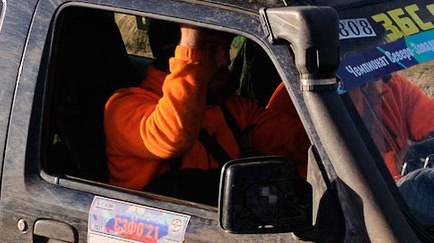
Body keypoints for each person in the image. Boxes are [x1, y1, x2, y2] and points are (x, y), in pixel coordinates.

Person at [105, 20, 309, 199]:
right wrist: (191, 36)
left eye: (227, 47)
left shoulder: (231, 107)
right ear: (172, 54)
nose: (225, 60)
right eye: (211, 49)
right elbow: (173, 138)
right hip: (151, 235)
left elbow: (295, 142)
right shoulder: (125, 106)